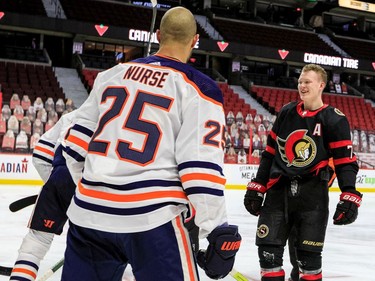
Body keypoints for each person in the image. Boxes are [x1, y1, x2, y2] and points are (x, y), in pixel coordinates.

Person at [62, 6, 241, 281]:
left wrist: (93, 191)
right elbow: (199, 171)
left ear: (158, 35)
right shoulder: (199, 88)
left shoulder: (110, 74)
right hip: (153, 220)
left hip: (89, 216)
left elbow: (74, 148)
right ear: (195, 40)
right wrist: (216, 231)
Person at [243, 64, 362, 281]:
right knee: (268, 256)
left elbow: (345, 162)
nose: (302, 86)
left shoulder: (334, 119)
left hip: (312, 195)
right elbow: (269, 154)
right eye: (300, 82)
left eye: (307, 82)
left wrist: (349, 194)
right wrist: (258, 186)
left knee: (308, 261)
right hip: (278, 193)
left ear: (321, 85)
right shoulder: (287, 112)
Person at [9, 111, 76, 281]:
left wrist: (55, 187)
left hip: (62, 177)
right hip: (107, 193)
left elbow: (40, 155)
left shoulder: (73, 116)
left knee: (37, 241)